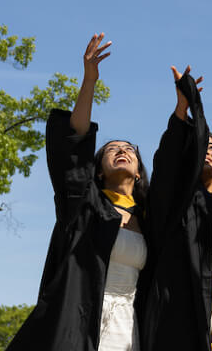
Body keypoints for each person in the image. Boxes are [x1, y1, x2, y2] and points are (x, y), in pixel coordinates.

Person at [8, 33, 149, 351]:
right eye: (112, 149)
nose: (121, 150)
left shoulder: (151, 218)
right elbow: (75, 139)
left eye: (129, 149)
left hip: (130, 326)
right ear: (99, 170)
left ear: (139, 171)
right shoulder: (86, 207)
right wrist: (89, 80)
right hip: (81, 320)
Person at [138, 65, 212, 351]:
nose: (208, 151)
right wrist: (182, 110)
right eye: (203, 146)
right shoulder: (178, 204)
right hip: (180, 321)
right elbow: (166, 167)